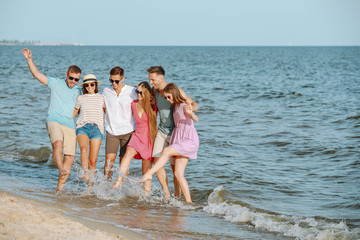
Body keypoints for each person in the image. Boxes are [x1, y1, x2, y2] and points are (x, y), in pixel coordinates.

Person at [21, 48, 82, 191]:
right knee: (58, 144)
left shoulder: (79, 90)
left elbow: (80, 107)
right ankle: (61, 169)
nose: (73, 81)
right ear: (66, 75)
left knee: (70, 157)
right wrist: (29, 59)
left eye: (76, 79)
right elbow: (36, 75)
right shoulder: (55, 83)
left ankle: (59, 189)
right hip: (53, 119)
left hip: (69, 124)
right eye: (71, 78)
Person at [141, 83, 199, 203]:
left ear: (174, 94)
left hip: (188, 140)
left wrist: (190, 113)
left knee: (166, 151)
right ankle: (189, 203)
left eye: (168, 97)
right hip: (179, 138)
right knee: (178, 174)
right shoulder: (175, 105)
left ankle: (149, 173)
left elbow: (195, 118)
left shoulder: (183, 105)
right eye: (166, 97)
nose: (167, 100)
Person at [112, 82, 157, 195]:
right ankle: (118, 182)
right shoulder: (133, 104)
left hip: (149, 139)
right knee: (127, 154)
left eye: (141, 92)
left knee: (145, 169)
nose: (138, 94)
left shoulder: (153, 105)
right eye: (137, 91)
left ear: (147, 93)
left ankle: (146, 194)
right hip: (137, 135)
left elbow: (159, 91)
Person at [102, 67, 137, 180]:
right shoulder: (106, 91)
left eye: (117, 81)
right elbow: (102, 107)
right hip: (112, 131)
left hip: (128, 131)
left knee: (124, 163)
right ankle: (106, 187)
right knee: (109, 162)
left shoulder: (132, 91)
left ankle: (122, 189)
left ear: (123, 79)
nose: (114, 83)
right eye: (111, 80)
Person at [73, 74, 105, 186]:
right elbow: (74, 113)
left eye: (92, 84)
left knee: (93, 161)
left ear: (95, 85)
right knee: (84, 150)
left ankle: (90, 187)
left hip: (97, 129)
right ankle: (85, 173)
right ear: (84, 86)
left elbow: (107, 112)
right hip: (83, 127)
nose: (89, 87)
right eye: (87, 85)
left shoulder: (101, 97)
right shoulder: (80, 98)